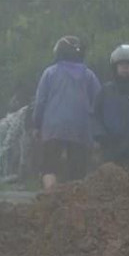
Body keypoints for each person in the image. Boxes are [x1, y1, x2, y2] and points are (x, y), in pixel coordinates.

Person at [33, 36, 101, 190]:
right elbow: (99, 102)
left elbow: (40, 102)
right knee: (77, 171)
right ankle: (72, 204)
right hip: (80, 128)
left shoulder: (50, 73)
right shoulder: (89, 75)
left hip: (53, 127)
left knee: (49, 167)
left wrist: (37, 125)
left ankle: (51, 198)